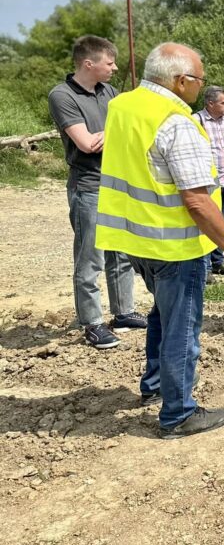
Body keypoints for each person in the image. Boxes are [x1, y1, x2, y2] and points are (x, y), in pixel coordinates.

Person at [95, 42, 224, 439]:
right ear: (181, 81)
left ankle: (156, 386)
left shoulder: (123, 106)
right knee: (181, 327)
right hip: (175, 245)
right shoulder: (176, 121)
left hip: (135, 240)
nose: (201, 86)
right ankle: (178, 414)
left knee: (162, 316)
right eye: (199, 79)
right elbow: (197, 199)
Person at [47, 35, 145, 349]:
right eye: (109, 62)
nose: (114, 67)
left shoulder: (109, 92)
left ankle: (124, 312)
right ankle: (92, 323)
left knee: (122, 254)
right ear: (89, 64)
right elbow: (86, 143)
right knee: (91, 258)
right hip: (88, 186)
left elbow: (125, 131)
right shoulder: (62, 96)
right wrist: (112, 132)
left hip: (116, 184)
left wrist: (111, 133)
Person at [194, 86, 224, 275]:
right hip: (208, 183)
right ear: (210, 103)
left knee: (221, 221)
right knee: (207, 222)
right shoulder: (196, 121)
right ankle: (204, 267)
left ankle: (217, 262)